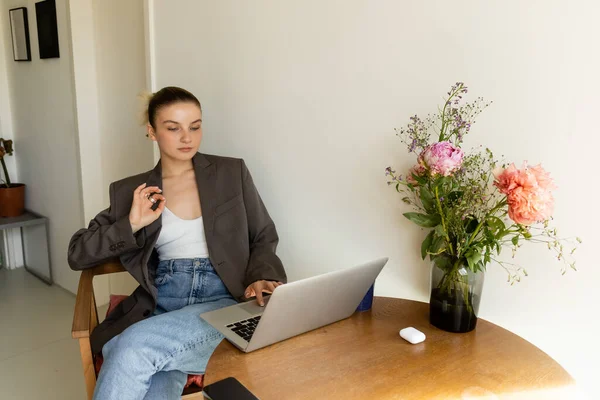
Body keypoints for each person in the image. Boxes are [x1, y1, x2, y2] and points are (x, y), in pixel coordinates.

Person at [68, 86, 286, 399]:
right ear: (152, 132)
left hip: (224, 302)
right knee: (153, 376)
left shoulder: (230, 173)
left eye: (195, 127)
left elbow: (263, 234)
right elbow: (77, 253)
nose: (187, 138)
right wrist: (131, 223)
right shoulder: (133, 191)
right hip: (161, 305)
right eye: (173, 128)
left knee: (130, 347)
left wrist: (262, 275)